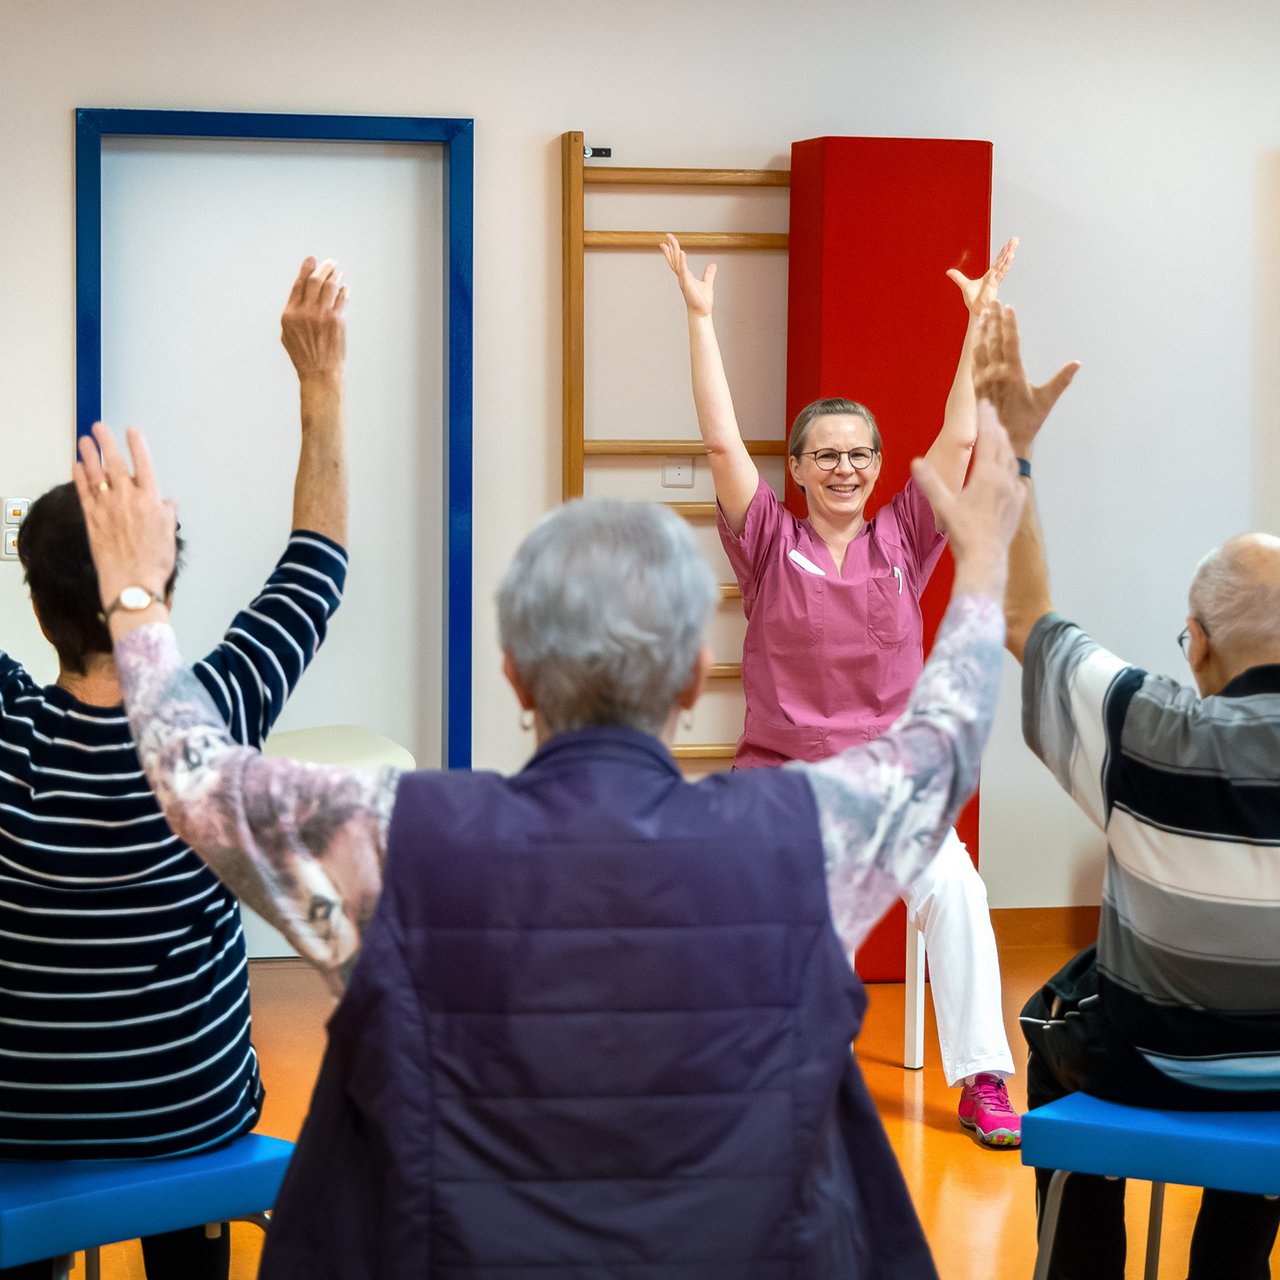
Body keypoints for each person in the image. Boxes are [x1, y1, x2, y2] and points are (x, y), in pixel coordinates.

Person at [71, 403, 1026, 1279]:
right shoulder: (800, 835)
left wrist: (134, 598)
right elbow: (947, 736)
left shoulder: (399, 839)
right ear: (698, 676)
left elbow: (192, 777)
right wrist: (982, 568)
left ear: (515, 676)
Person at [0, 259, 349, 1280]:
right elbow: (317, 559)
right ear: (158, 577)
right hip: (183, 1110)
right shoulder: (219, 714)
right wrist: (319, 380)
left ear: (36, 604)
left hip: (20, 1114)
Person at [660, 231, 1023, 1146]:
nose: (846, 469)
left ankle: (983, 1078)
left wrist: (978, 323)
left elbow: (962, 438)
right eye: (826, 455)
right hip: (784, 784)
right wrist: (700, 320)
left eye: (860, 454)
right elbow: (715, 435)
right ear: (797, 468)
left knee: (960, 892)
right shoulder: (767, 543)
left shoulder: (907, 533)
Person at [985, 299, 1280, 1280]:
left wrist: (1015, 450)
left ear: (1194, 642)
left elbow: (1025, 619)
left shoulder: (1149, 726)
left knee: (1054, 1012)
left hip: (1151, 1060)